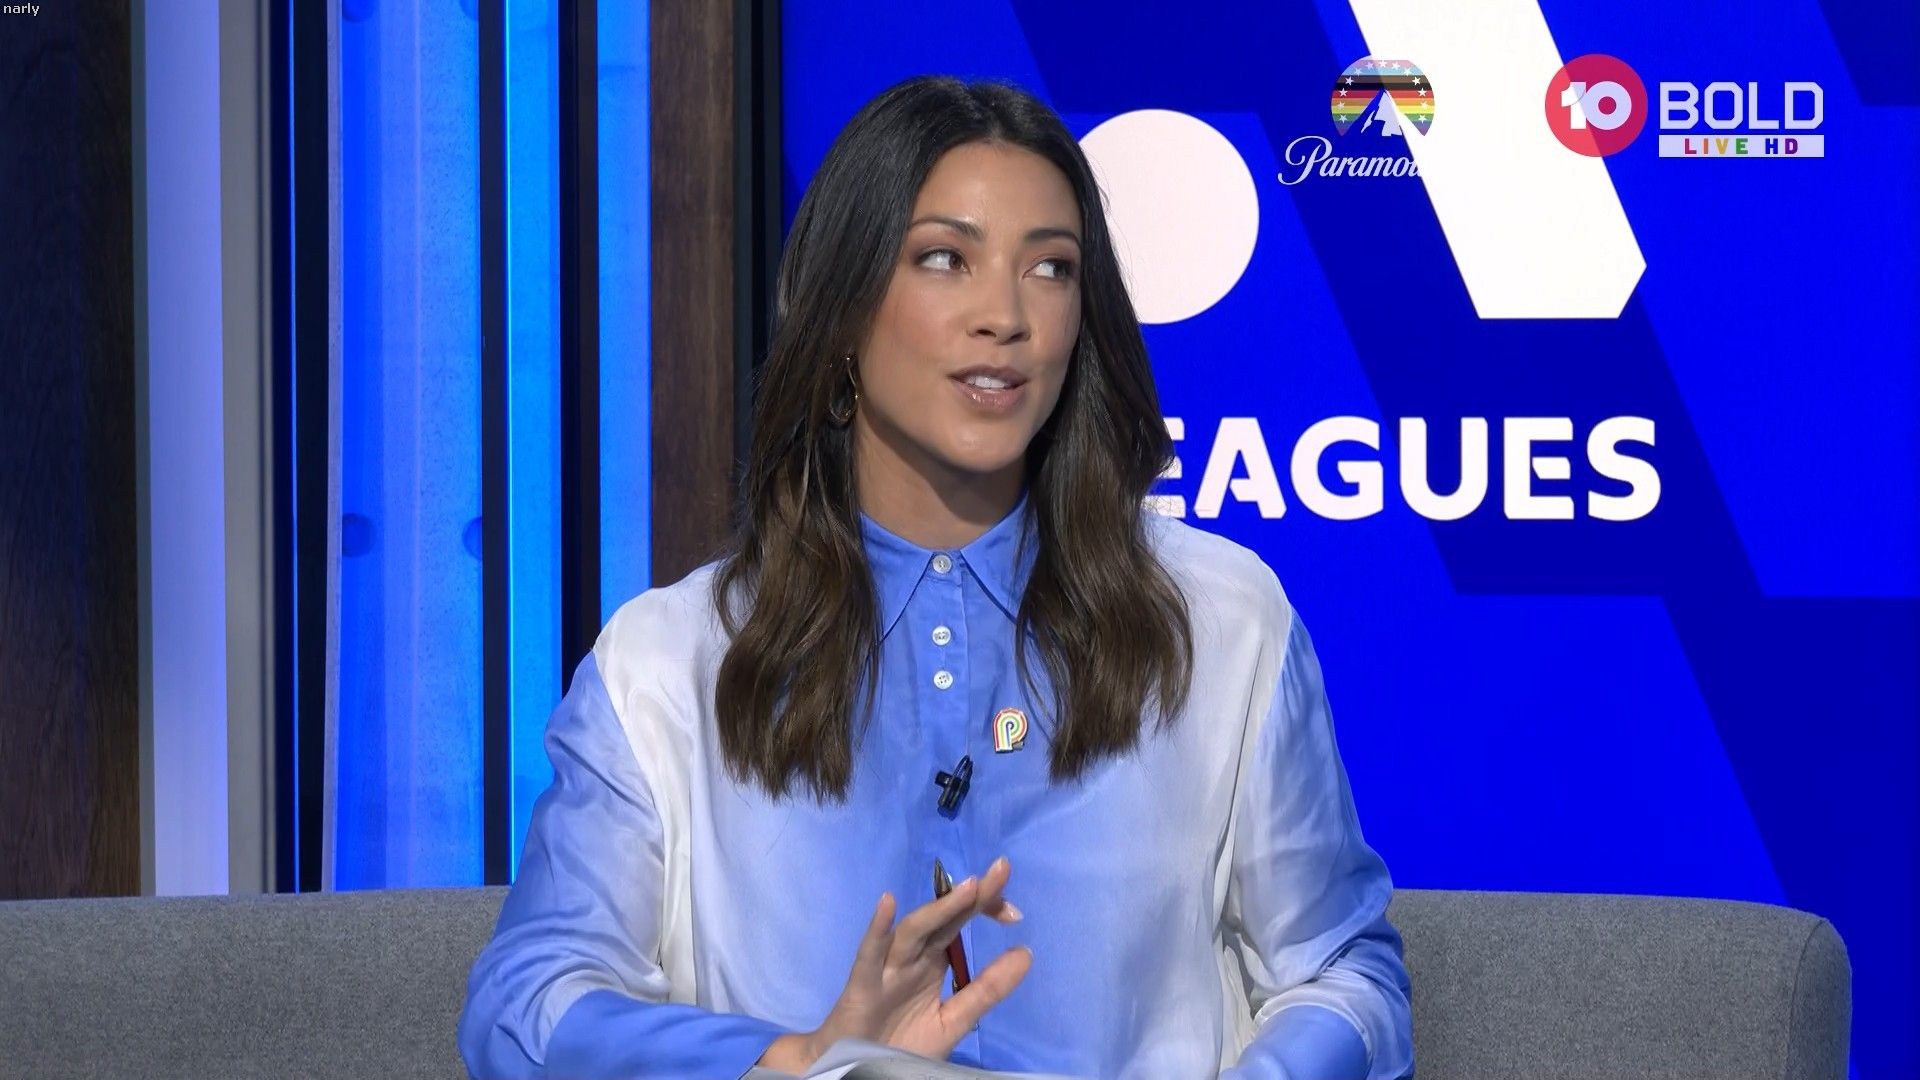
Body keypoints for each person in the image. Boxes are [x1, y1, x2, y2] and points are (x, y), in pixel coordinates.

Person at [457, 74, 1413, 1080]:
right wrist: (797, 1060)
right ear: (844, 306)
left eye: (1051, 268)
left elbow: (1346, 974)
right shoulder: (669, 663)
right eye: (945, 259)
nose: (1006, 315)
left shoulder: (1219, 621)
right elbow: (526, 1004)